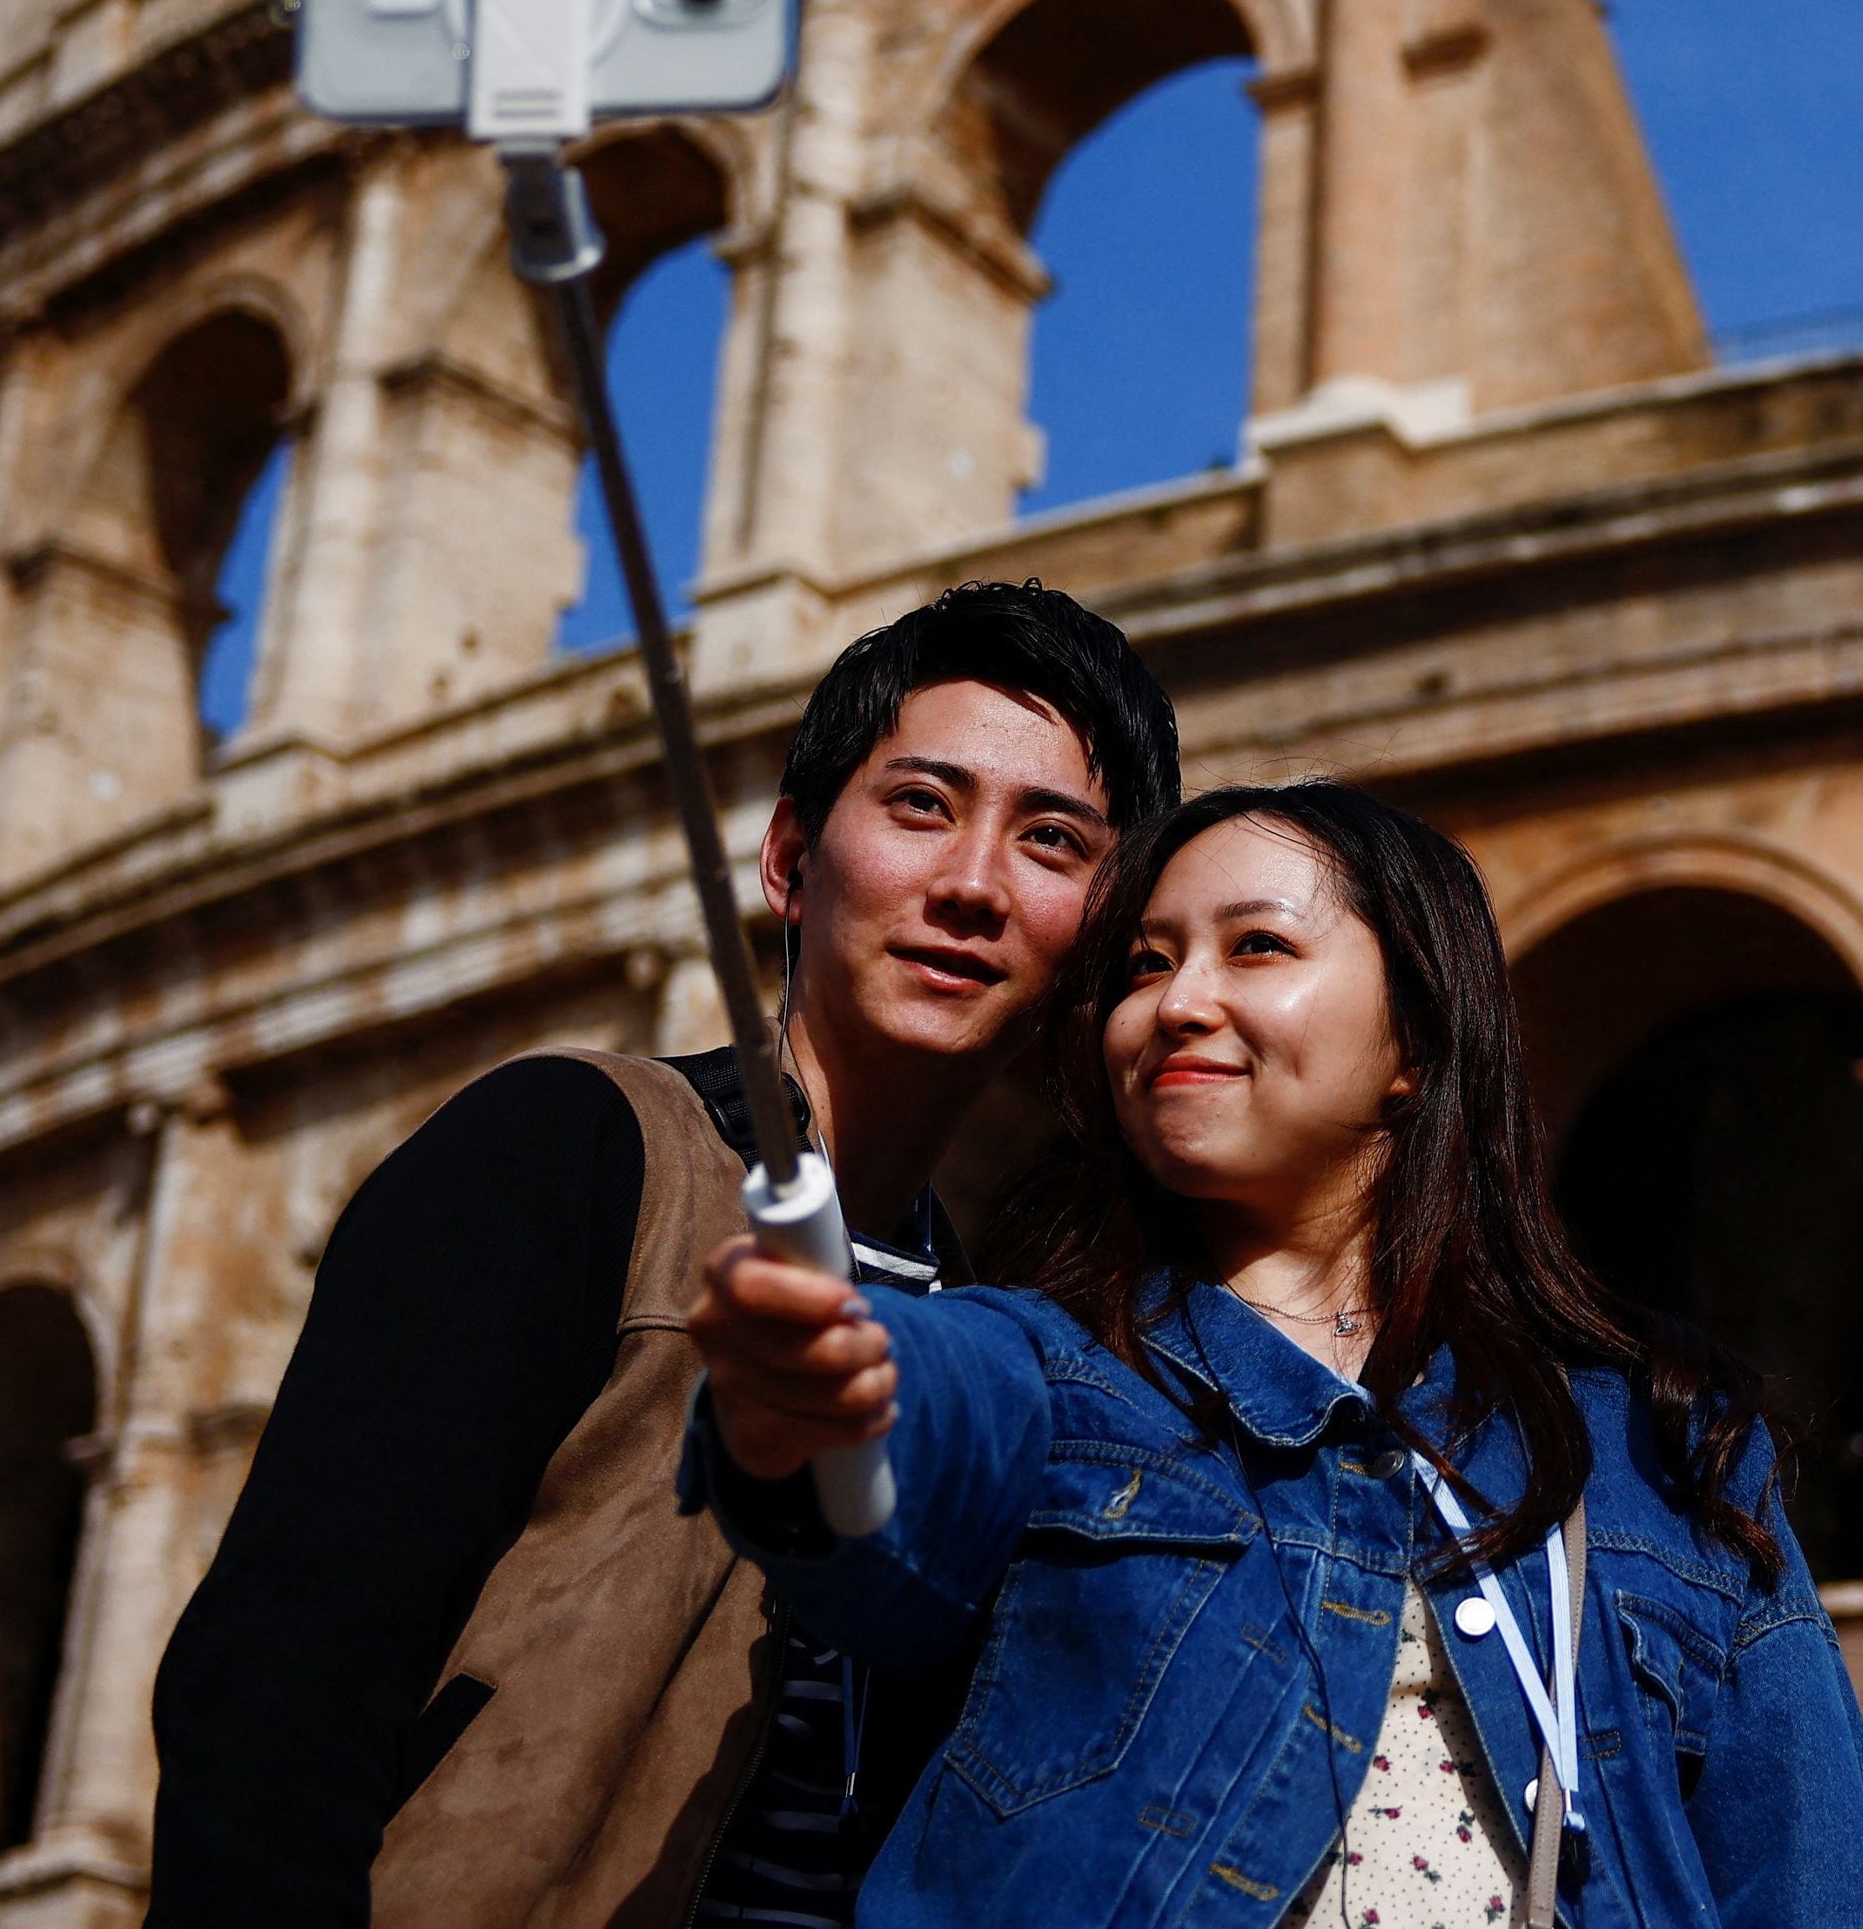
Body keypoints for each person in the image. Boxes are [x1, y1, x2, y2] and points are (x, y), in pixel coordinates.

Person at [685, 779, 1863, 1929]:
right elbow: (910, 1437)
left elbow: (1806, 1873)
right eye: (1145, 966)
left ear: (1414, 1043)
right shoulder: (1052, 1374)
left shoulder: (1660, 1447)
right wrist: (815, 1391)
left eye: (1254, 946)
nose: (1174, 1001)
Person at [148, 579, 1181, 1929]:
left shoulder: (999, 1345)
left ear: (1101, 932)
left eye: (1053, 841)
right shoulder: (566, 1151)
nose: (973, 886)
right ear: (788, 860)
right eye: (922, 804)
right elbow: (280, 1691)